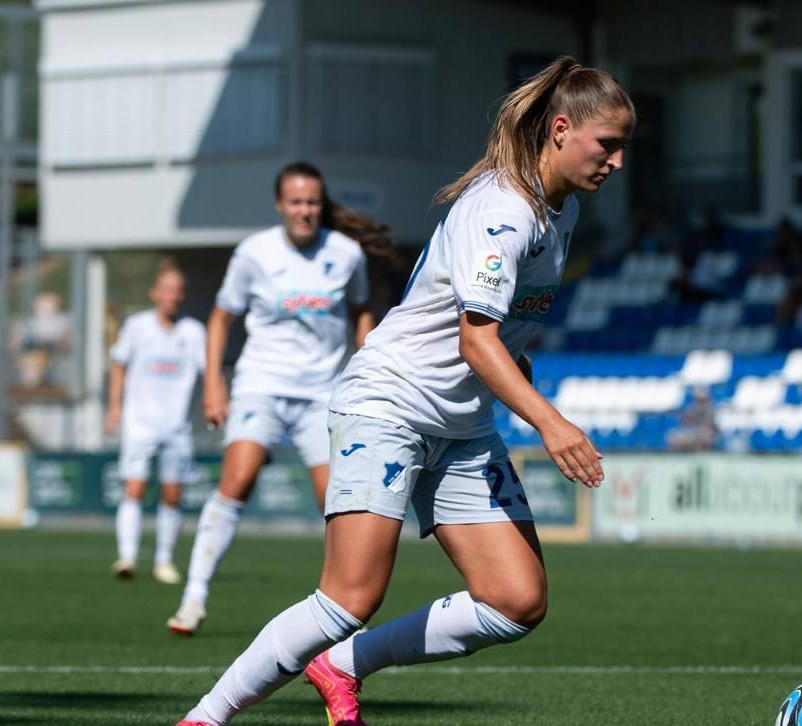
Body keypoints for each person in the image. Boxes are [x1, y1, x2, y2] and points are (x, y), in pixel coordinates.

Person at [174, 55, 631, 726]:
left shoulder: (558, 212)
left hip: (463, 425)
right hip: (389, 403)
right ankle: (204, 718)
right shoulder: (502, 210)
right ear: (561, 130)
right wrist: (551, 424)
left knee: (516, 599)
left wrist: (519, 379)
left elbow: (496, 338)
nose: (617, 162)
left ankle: (345, 666)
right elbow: (476, 341)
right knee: (349, 597)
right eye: (608, 145)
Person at [165, 161, 383, 635]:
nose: (304, 211)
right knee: (239, 477)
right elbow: (221, 318)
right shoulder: (253, 253)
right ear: (279, 205)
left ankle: (343, 609)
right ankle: (193, 598)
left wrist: (363, 365)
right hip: (260, 384)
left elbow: (361, 310)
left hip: (322, 391)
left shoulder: (346, 253)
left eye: (312, 203)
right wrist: (214, 384)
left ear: (320, 205)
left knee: (337, 501)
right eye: (296, 202)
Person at [106, 263, 206, 583]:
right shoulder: (136, 326)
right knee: (134, 488)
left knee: (172, 495)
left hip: (176, 426)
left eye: (177, 290)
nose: (172, 296)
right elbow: (119, 365)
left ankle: (164, 561)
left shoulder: (193, 332)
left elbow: (207, 372)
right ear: (154, 293)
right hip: (140, 423)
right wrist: (114, 407)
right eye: (167, 289)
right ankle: (127, 557)